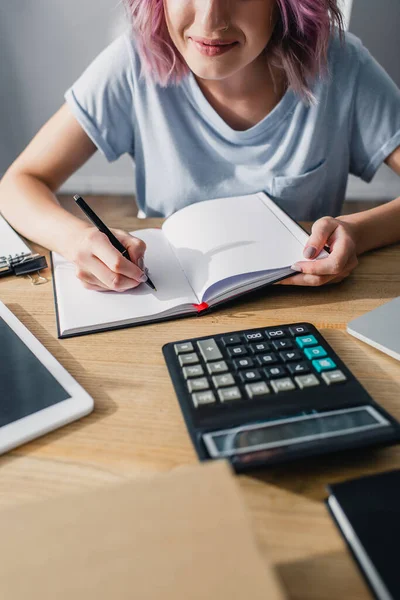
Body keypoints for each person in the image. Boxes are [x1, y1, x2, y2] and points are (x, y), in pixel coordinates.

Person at [0, 0, 399, 292]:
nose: (210, 20)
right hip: (167, 307)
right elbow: (18, 183)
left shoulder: (342, 64)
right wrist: (76, 239)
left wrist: (358, 233)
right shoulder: (133, 62)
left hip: (310, 312)